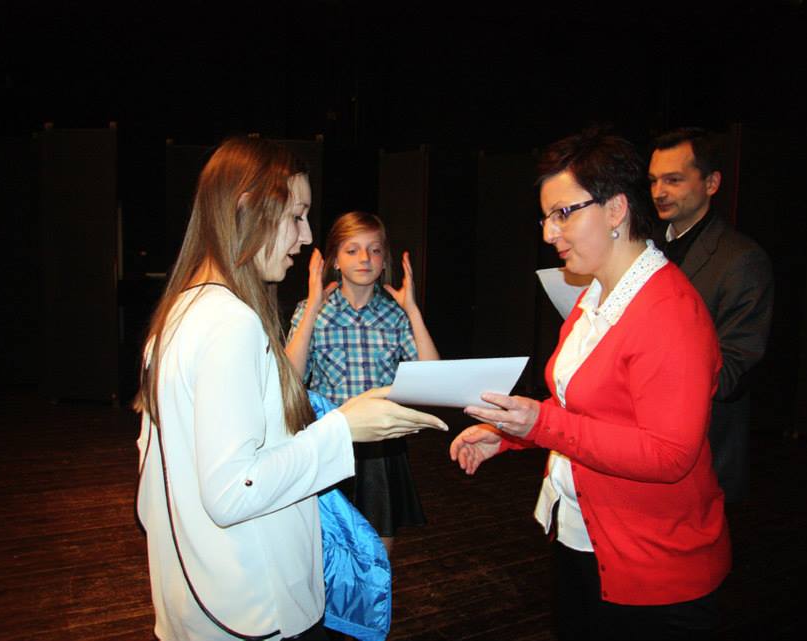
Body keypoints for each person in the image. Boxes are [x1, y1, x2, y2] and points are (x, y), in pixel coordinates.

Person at [134, 137, 446, 641]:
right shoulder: (230, 322)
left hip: (198, 596)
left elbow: (155, 483)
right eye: (296, 216)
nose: (306, 238)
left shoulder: (181, 311)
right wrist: (343, 427)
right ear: (248, 209)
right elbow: (233, 491)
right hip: (250, 608)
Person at [450, 130, 731, 640]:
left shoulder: (669, 313)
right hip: (585, 537)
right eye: (546, 217)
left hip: (653, 568)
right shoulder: (598, 294)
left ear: (616, 209)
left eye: (563, 213)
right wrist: (510, 435)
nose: (549, 233)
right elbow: (583, 408)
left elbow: (669, 455)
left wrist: (539, 425)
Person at [286, 211, 439, 555]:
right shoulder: (312, 311)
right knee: (325, 550)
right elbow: (289, 380)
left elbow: (433, 380)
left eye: (374, 250)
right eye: (352, 250)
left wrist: (413, 310)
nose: (365, 258)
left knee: (377, 550)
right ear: (335, 260)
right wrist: (311, 309)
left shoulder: (395, 315)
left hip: (381, 448)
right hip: (329, 441)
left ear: (384, 260)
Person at [649, 127, 774, 503]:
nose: (659, 192)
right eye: (653, 180)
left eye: (673, 180)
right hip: (641, 440)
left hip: (701, 449)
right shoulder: (644, 248)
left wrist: (652, 355)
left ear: (712, 183)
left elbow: (734, 371)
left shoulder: (740, 260)